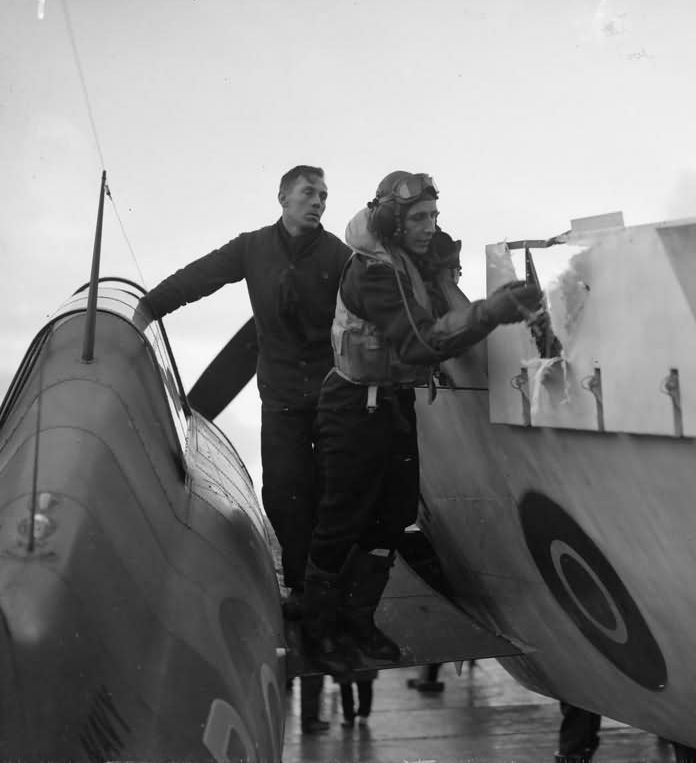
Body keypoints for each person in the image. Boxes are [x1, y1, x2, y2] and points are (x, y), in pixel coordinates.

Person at [134, 164, 352, 732]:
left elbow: (374, 306)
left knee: (331, 492)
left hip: (331, 394)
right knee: (281, 492)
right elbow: (200, 277)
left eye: (324, 196)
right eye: (309, 193)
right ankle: (300, 586)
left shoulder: (338, 256)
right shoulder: (253, 248)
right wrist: (149, 308)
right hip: (280, 396)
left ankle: (323, 592)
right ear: (282, 197)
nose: (319, 202)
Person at [301, 170, 545, 675]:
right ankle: (321, 629)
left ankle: (359, 620)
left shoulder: (412, 262)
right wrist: (490, 312)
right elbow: (419, 342)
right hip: (351, 407)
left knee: (391, 517)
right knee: (341, 520)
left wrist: (449, 284)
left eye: (434, 214)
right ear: (392, 221)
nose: (431, 225)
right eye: (418, 217)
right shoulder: (373, 271)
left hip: (390, 401)